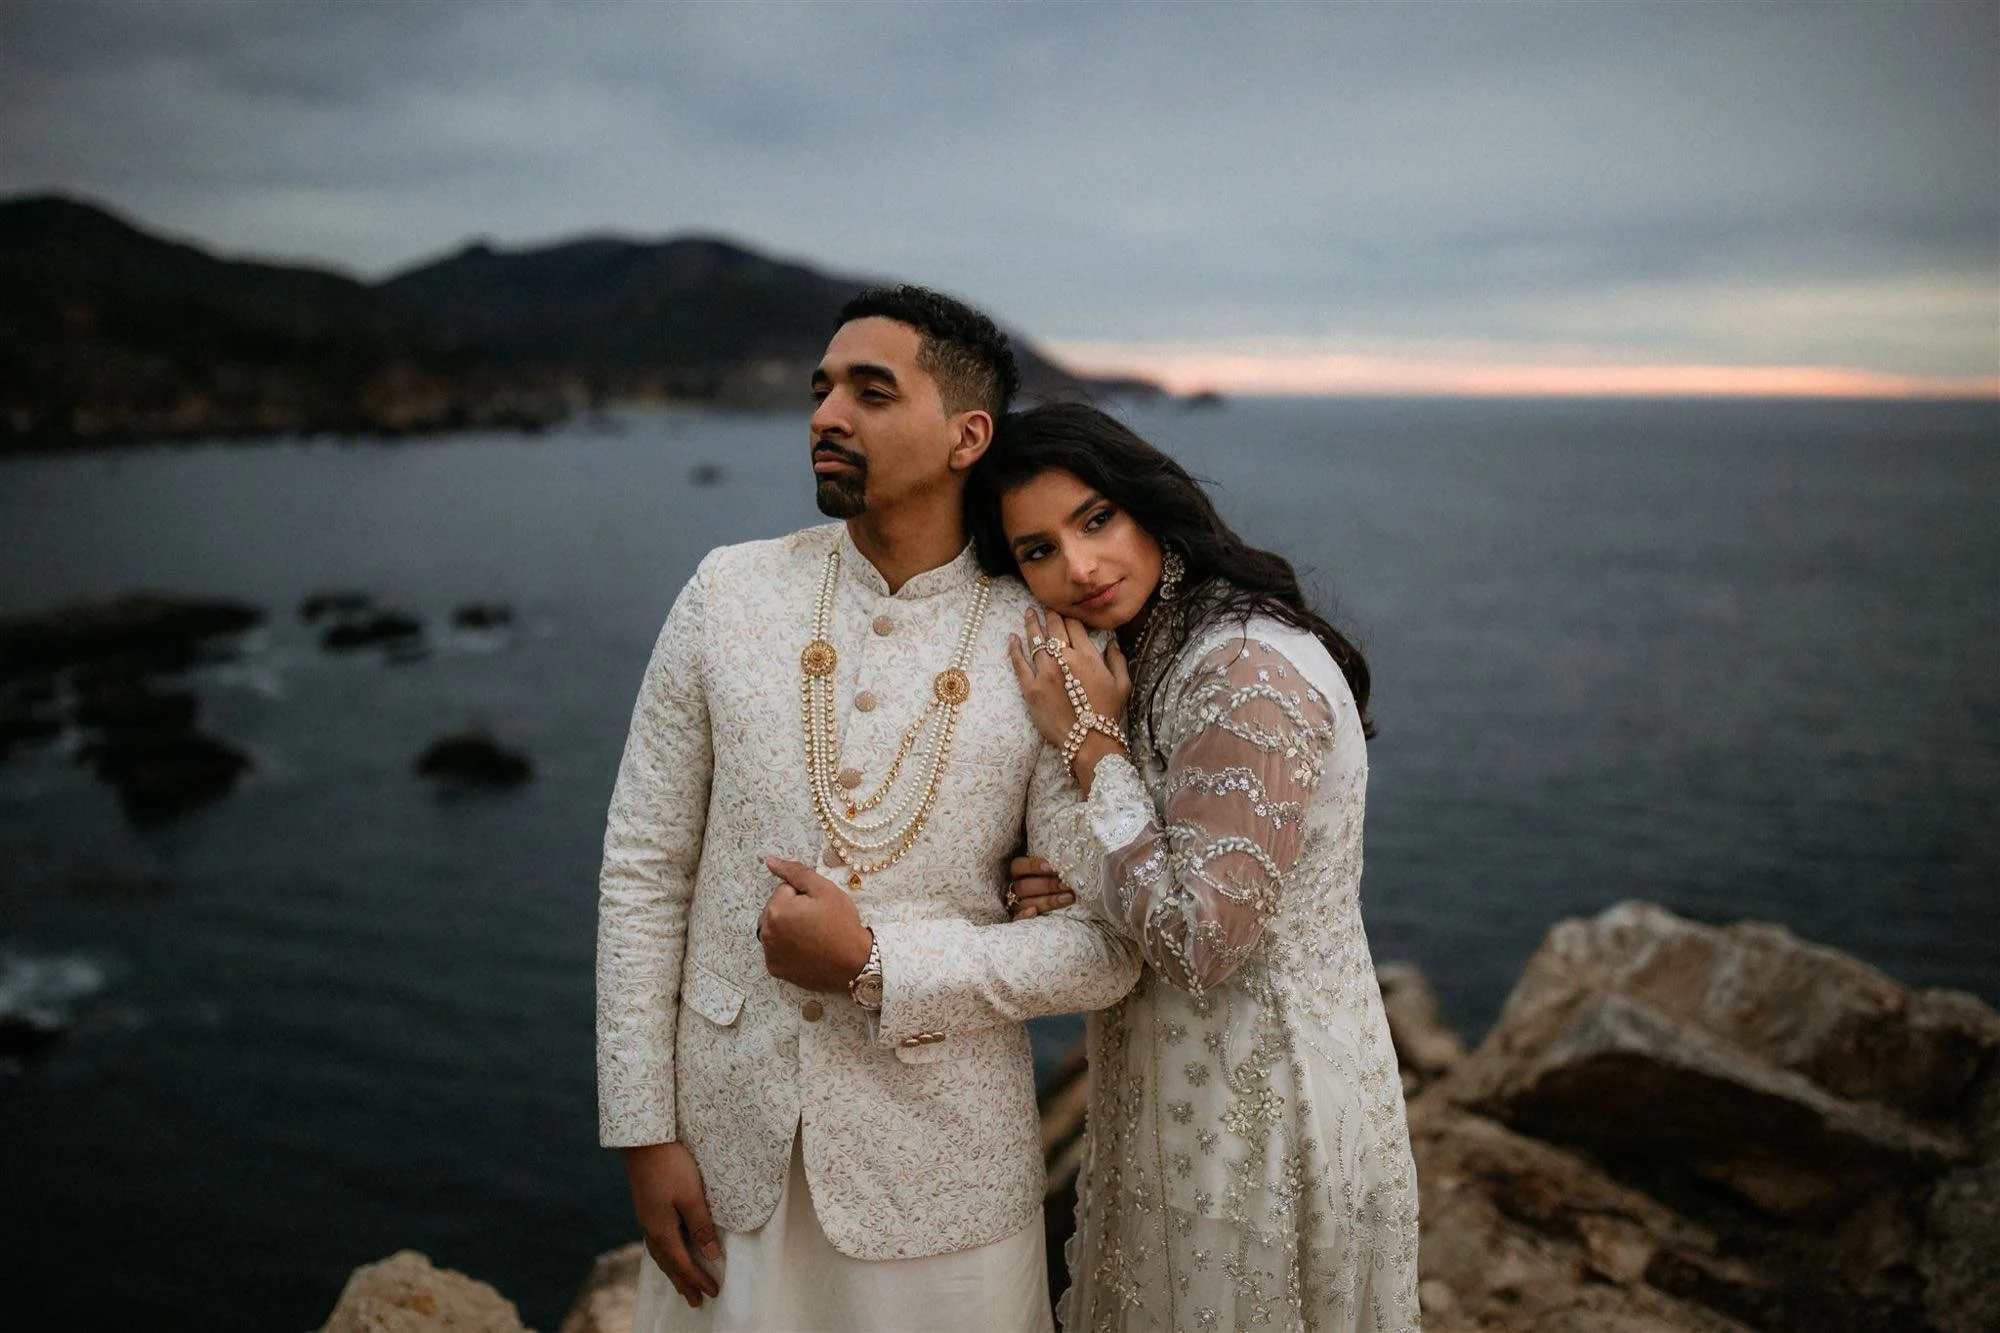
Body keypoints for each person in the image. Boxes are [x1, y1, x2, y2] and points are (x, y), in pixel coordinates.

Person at [597, 289, 1142, 1333]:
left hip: (943, 1168)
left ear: (963, 436)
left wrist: (875, 961)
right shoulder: (725, 592)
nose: (824, 413)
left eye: (869, 390)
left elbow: (1101, 951)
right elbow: (642, 867)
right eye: (820, 388)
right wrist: (642, 1131)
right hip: (724, 1148)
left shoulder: (1049, 644)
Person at [969, 402, 1421, 1332]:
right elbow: (1164, 870)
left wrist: (1092, 750)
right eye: (1037, 550)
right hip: (1176, 1107)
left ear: (1148, 504)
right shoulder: (1161, 647)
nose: (1079, 568)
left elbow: (1196, 941)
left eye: (1095, 520)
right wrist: (1084, 869)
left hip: (1264, 1120)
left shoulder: (1244, 665)